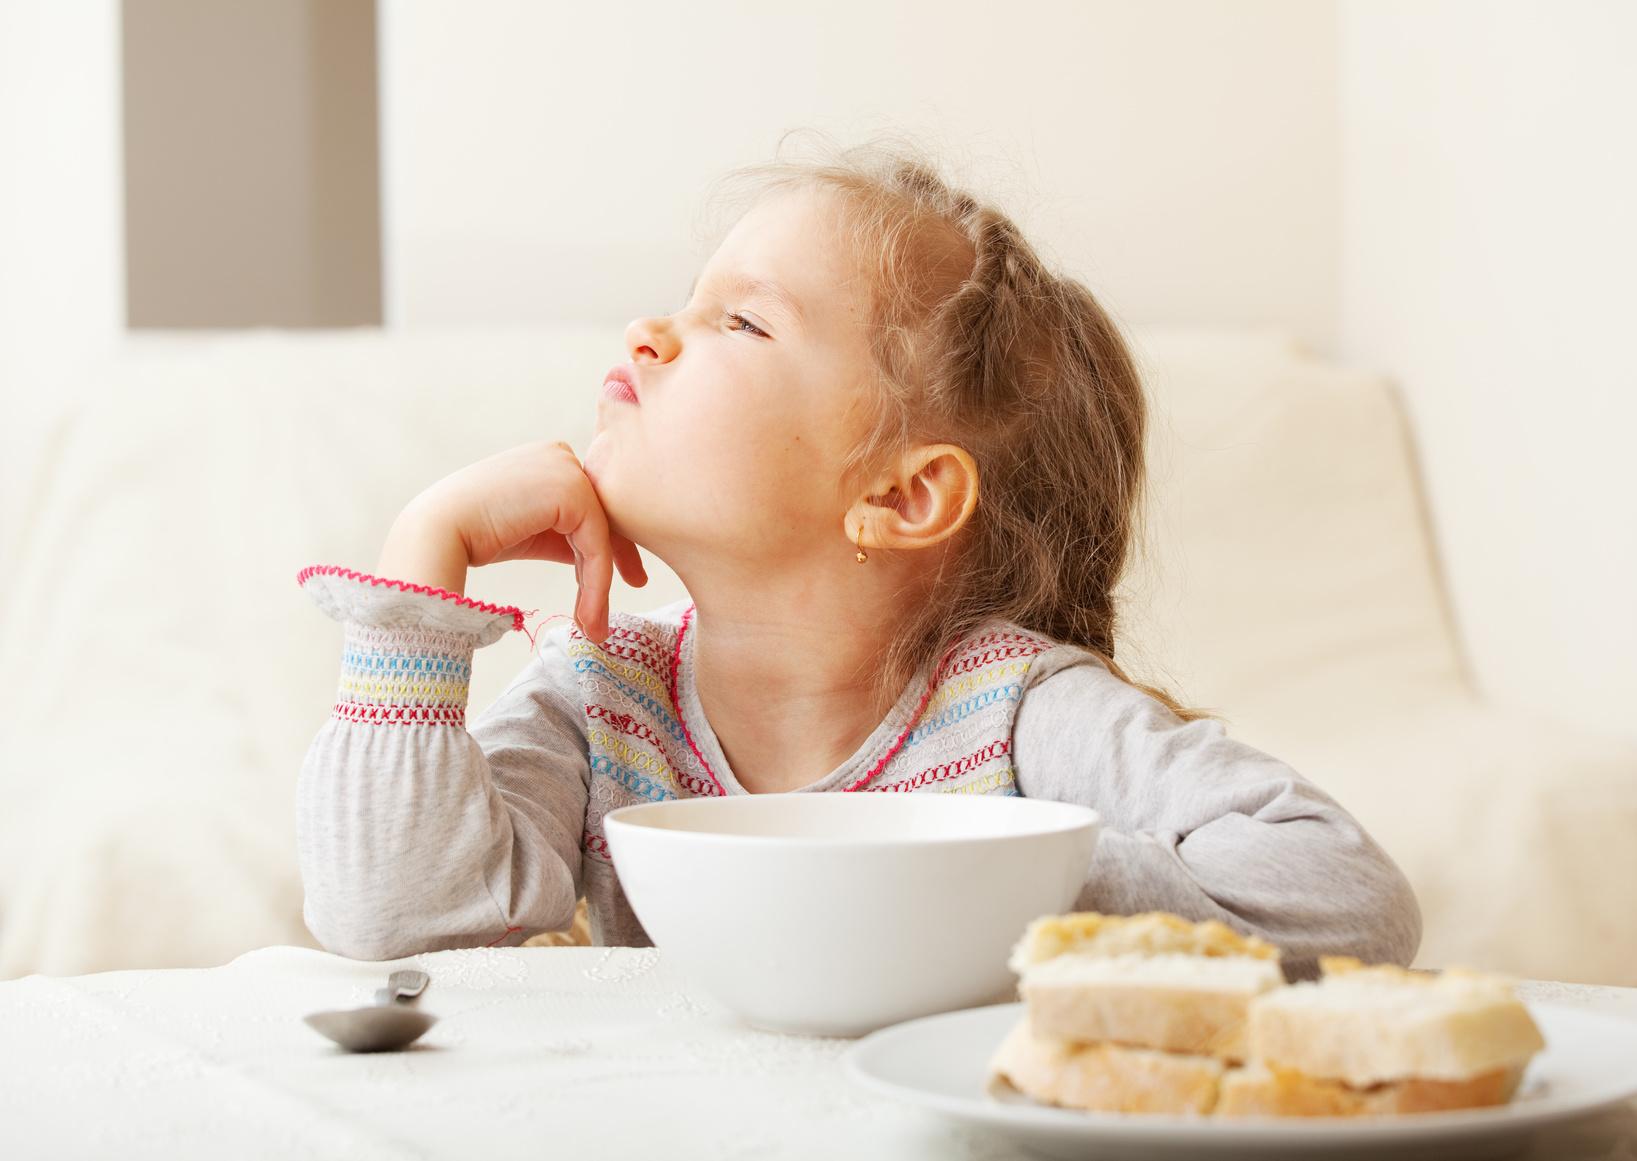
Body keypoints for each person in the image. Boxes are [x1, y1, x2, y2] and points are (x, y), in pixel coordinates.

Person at [294, 132, 1421, 980]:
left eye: (741, 323)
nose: (647, 331)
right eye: (689, 303)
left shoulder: (1012, 711)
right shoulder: (600, 702)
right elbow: (397, 923)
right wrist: (420, 563)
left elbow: (1346, 897)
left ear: (901, 493)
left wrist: (989, 876)